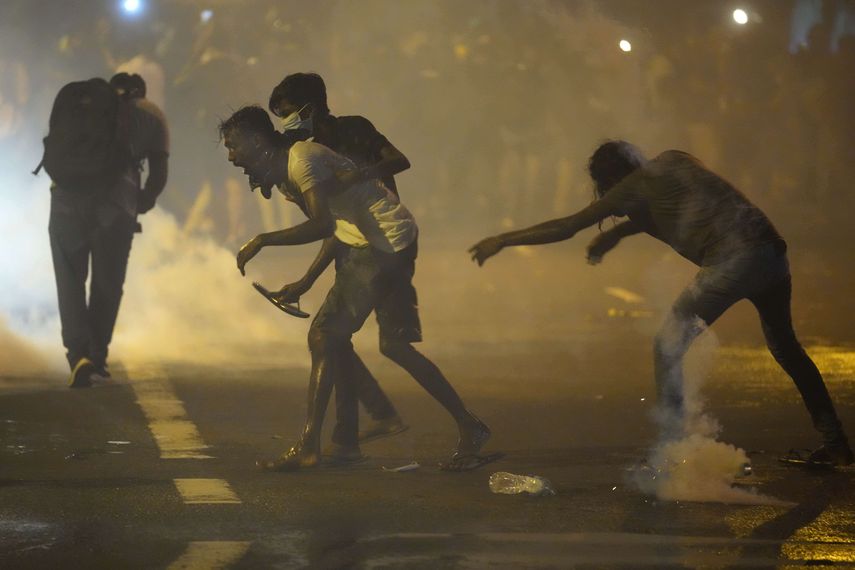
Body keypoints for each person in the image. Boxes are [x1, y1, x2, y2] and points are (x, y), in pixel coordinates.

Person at [470, 140, 853, 467]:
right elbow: (685, 204)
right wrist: (618, 233)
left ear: (609, 179)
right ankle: (836, 444)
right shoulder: (674, 160)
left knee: (667, 345)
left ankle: (672, 451)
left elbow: (567, 226)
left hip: (732, 261)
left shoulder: (631, 187)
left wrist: (503, 239)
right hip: (772, 254)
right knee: (787, 349)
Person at [220, 106, 495, 471]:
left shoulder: (301, 162)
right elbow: (336, 228)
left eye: (235, 146)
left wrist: (261, 240)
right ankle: (468, 424)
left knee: (324, 335)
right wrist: (306, 281)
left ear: (257, 141)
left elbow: (320, 225)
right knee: (391, 345)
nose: (231, 156)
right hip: (388, 240)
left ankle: (310, 446)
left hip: (382, 244)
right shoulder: (289, 173)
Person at [267, 72, 412, 443]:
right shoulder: (308, 152)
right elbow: (331, 227)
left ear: (309, 108)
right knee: (334, 337)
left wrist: (358, 178)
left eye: (286, 113)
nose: (285, 123)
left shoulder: (349, 133)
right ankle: (355, 431)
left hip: (383, 242)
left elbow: (399, 160)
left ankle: (370, 424)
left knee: (362, 340)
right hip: (356, 245)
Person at [46, 72, 169, 387]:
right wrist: (142, 202)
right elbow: (158, 175)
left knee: (70, 280)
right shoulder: (152, 114)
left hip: (64, 201)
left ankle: (77, 355)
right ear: (141, 92)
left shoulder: (79, 104)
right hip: (114, 210)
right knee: (107, 283)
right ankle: (97, 355)